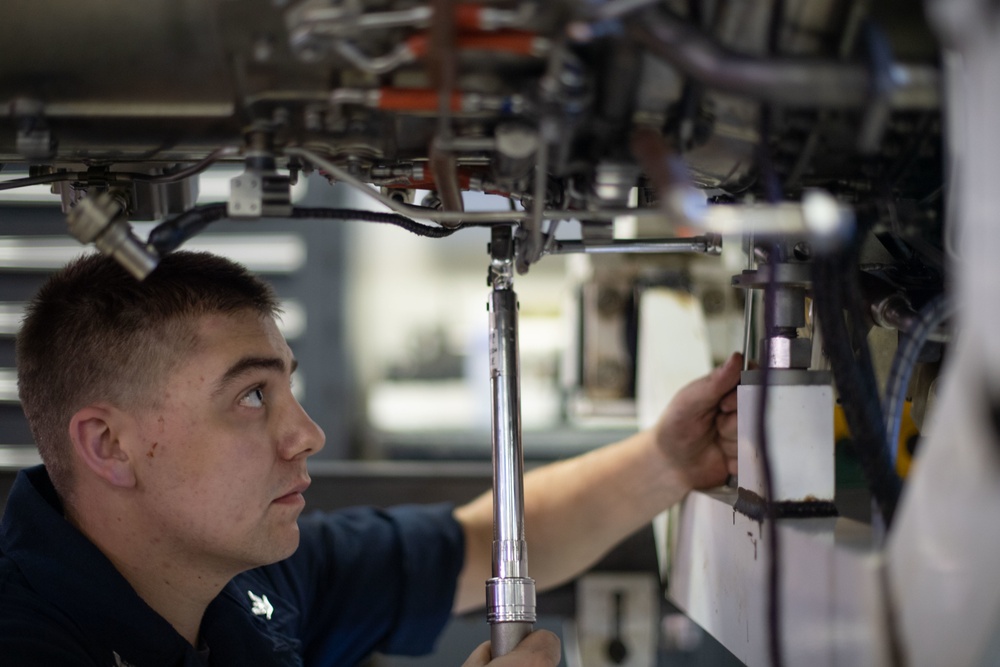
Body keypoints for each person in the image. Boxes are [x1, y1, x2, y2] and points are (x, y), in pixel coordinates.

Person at [0, 251, 741, 666]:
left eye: (287, 383)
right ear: (109, 444)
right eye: (252, 396)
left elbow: (476, 545)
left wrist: (670, 461)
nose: (308, 433)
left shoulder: (246, 577)